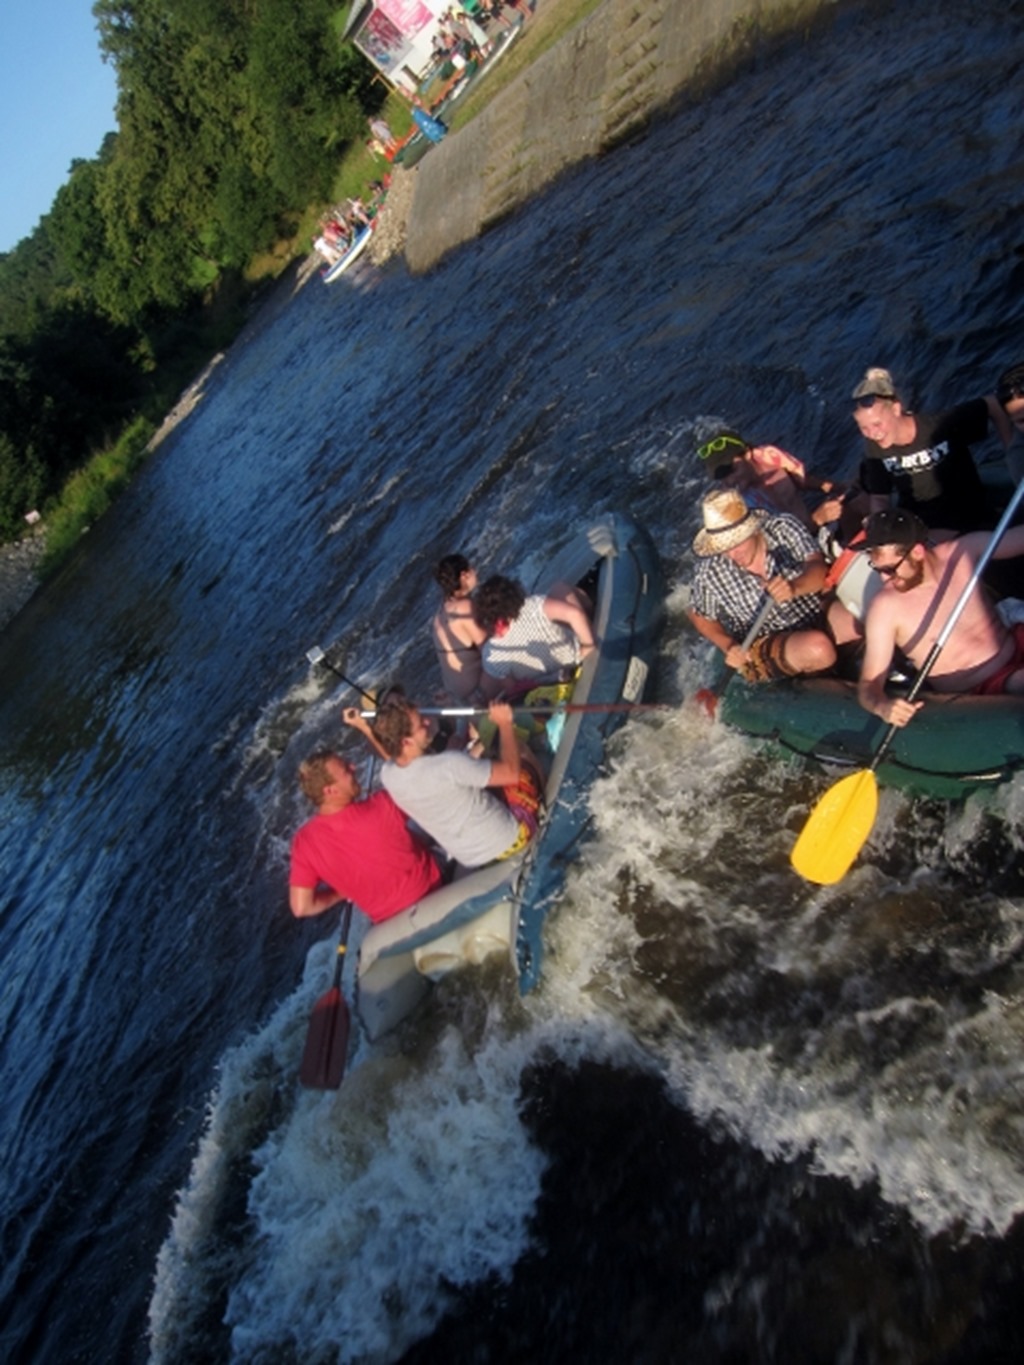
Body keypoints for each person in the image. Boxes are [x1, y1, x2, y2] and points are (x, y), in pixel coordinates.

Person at [856, 507, 1024, 727]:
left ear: (917, 552)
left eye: (890, 569)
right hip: (981, 689)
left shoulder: (961, 551)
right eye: (877, 568)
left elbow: (1017, 539)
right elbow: (869, 684)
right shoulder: (885, 607)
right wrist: (882, 706)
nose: (884, 578)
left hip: (1015, 643)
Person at [346, 697, 543, 868]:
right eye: (421, 725)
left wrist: (364, 726)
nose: (428, 721)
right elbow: (511, 773)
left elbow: (389, 754)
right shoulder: (448, 764)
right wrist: (505, 723)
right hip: (512, 838)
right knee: (518, 752)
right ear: (406, 742)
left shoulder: (389, 776)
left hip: (472, 858)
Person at [687, 487, 839, 683]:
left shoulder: (784, 528)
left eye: (737, 543)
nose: (733, 555)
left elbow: (818, 569)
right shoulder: (709, 572)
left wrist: (794, 587)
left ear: (753, 529)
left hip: (813, 611)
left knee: (853, 622)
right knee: (818, 648)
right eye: (725, 548)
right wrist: (728, 645)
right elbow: (698, 615)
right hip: (762, 639)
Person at [849, 365, 1008, 533]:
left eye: (877, 424)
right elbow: (880, 497)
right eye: (864, 428)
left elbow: (992, 404)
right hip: (923, 526)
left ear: (896, 409)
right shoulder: (874, 449)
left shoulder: (938, 425)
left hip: (969, 515)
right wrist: (881, 528)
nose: (873, 434)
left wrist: (1011, 448)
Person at [288, 752, 443, 921]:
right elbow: (422, 784)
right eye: (346, 770)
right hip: (432, 891)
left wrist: (340, 893)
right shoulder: (382, 806)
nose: (353, 767)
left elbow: (301, 907)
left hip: (388, 922)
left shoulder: (304, 842)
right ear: (330, 790)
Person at [472, 575, 596, 698]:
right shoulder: (534, 606)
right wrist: (587, 646)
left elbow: (513, 689)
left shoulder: (491, 655)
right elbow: (574, 614)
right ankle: (592, 612)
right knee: (559, 587)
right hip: (574, 655)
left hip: (554, 682)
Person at [696, 428, 841, 530]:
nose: (729, 481)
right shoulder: (739, 506)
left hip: (815, 526)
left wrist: (834, 487)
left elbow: (801, 480)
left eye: (731, 470)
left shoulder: (770, 456)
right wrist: (817, 519)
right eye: (721, 477)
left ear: (747, 454)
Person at [432, 553, 487, 700]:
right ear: (464, 576)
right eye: (472, 568)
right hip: (476, 694)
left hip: (457, 698)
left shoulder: (440, 614)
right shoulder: (464, 607)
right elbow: (488, 650)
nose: (476, 571)